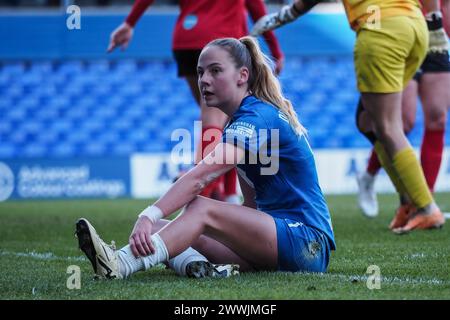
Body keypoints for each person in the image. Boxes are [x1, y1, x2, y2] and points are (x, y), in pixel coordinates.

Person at [75, 36, 336, 280]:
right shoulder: (241, 122)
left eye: (215, 70)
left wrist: (147, 214)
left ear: (242, 76)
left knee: (198, 208)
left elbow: (200, 177)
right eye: (200, 72)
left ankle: (120, 263)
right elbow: (253, 206)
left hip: (306, 242)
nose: (204, 80)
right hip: (278, 242)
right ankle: (198, 266)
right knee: (161, 232)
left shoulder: (257, 118)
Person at [251, 0, 446, 234]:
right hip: (415, 26)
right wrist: (435, 24)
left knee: (387, 127)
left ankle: (425, 207)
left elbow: (307, 2)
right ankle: (409, 202)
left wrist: (280, 17)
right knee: (367, 120)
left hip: (380, 29)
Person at [107, 0, 285, 203]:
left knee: (225, 119)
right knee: (217, 118)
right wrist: (275, 51)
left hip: (186, 40)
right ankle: (200, 189)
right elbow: (258, 11)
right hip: (222, 42)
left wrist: (130, 23)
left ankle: (226, 193)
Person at [356, 0, 450, 223]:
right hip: (405, 30)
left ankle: (425, 204)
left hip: (437, 37)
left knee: (437, 119)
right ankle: (369, 175)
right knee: (402, 122)